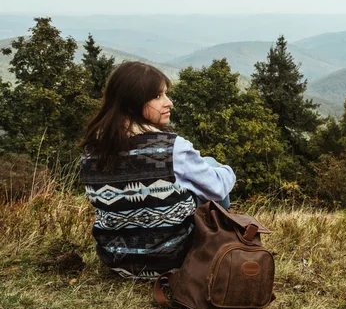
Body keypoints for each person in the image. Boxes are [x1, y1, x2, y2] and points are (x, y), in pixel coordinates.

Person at [79, 61, 236, 279]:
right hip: (173, 261)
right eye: (157, 96)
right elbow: (218, 190)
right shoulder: (171, 148)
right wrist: (226, 170)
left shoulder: (92, 149)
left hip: (117, 262)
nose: (169, 102)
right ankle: (222, 240)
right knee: (211, 169)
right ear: (133, 101)